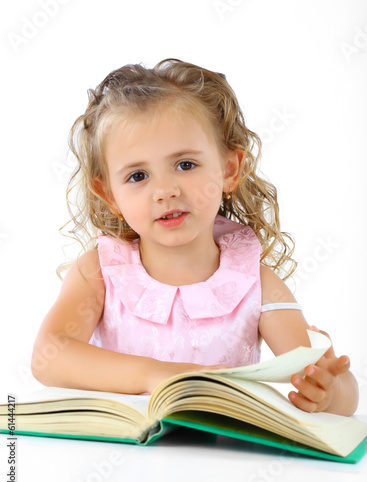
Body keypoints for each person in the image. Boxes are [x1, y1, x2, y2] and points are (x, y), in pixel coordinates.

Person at [31, 58, 358, 416]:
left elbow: (326, 386)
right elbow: (49, 357)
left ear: (229, 170)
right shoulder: (100, 272)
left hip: (221, 462)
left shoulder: (253, 282)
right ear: (109, 194)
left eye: (185, 165)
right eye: (138, 176)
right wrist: (161, 376)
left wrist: (329, 390)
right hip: (122, 457)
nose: (165, 191)